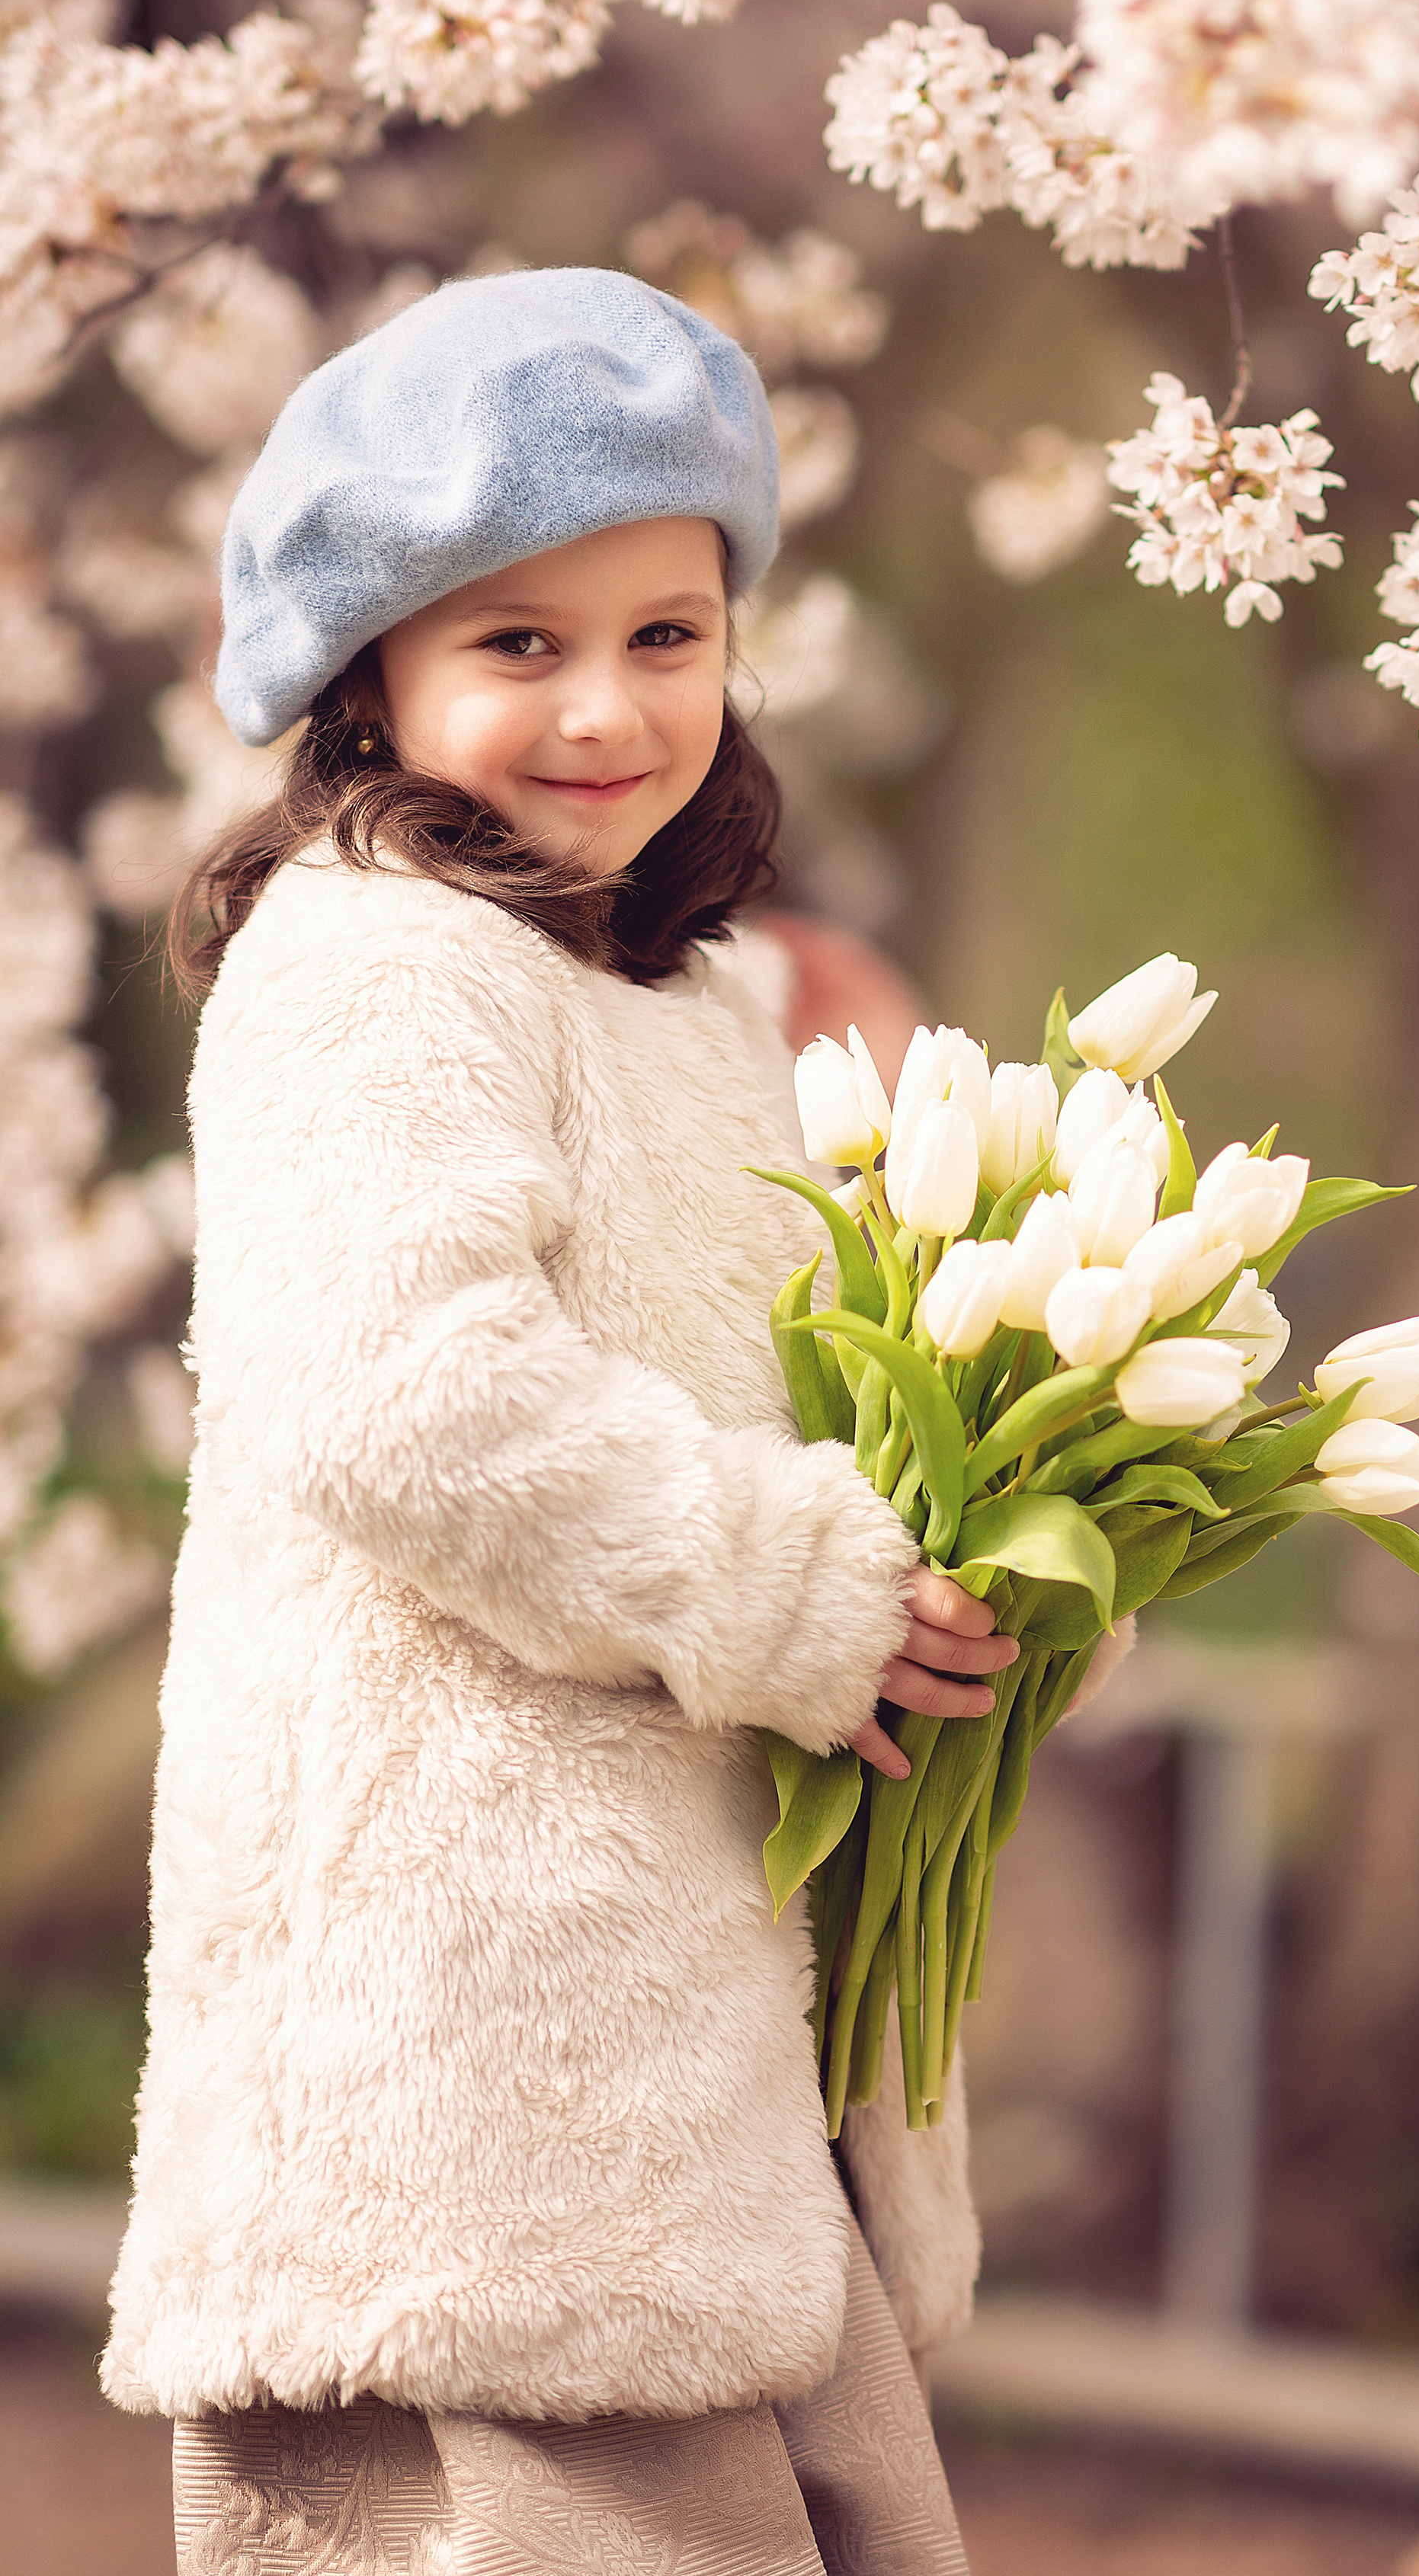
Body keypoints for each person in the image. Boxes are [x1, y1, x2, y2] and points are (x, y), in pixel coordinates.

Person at [100, 268, 1007, 2574]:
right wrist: (797, 1593)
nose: (608, 706)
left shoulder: (676, 1001)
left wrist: (950, 1574)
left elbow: (762, 1396)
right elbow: (400, 1395)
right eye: (519, 642)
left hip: (683, 2029)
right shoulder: (373, 957)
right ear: (371, 675)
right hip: (480, 2049)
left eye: (667, 633)